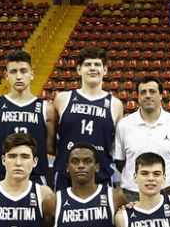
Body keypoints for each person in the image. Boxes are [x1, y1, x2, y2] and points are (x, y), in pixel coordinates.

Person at [50, 46, 123, 191]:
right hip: (66, 175)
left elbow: (115, 144)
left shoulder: (115, 104)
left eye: (97, 64)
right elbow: (51, 139)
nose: (93, 68)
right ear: (79, 69)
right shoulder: (63, 99)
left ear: (105, 70)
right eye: (88, 64)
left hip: (101, 175)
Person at [113, 76, 170, 202]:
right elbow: (120, 161)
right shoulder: (124, 125)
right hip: (132, 194)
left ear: (161, 95)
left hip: (169, 191)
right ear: (138, 97)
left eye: (152, 91)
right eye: (143, 92)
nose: (148, 96)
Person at [0, 49, 50, 185]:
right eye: (13, 72)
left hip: (35, 178)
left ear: (31, 74)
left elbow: (51, 147)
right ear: (6, 75)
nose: (19, 76)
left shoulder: (47, 109)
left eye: (23, 71)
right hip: (1, 177)